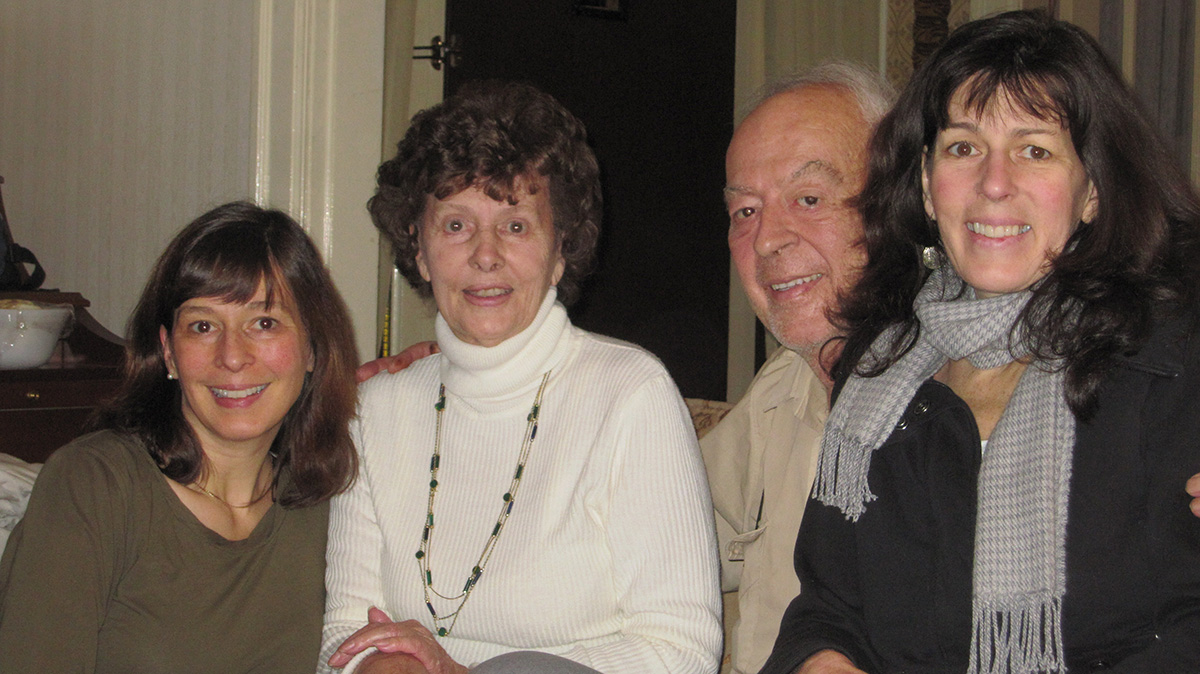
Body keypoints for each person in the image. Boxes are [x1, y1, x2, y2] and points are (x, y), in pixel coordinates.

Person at [763, 10, 1200, 674]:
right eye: (964, 148)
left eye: (1035, 149)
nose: (995, 184)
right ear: (927, 188)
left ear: (1092, 192)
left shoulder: (1173, 364)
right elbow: (827, 607)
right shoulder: (881, 376)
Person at [321, 80, 721, 674]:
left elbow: (682, 651)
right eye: (456, 225)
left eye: (515, 226)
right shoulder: (373, 412)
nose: (485, 255)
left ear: (561, 248)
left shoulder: (630, 393)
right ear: (420, 248)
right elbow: (343, 636)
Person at [0, 201, 360, 672]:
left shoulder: (325, 501)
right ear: (168, 352)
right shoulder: (95, 484)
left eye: (264, 322)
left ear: (312, 348)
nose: (233, 356)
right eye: (203, 326)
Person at [705, 62, 890, 674]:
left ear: (900, 202)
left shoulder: (973, 397)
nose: (765, 241)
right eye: (745, 212)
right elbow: (653, 530)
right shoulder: (784, 387)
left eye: (808, 199)